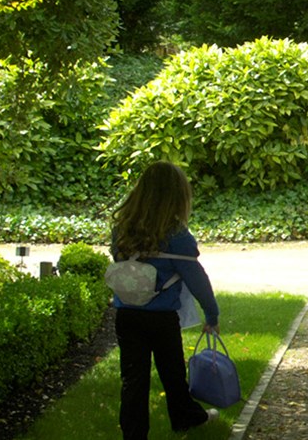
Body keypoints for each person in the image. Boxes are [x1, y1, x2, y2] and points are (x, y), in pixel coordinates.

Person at [108, 161, 221, 439]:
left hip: (127, 314)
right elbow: (196, 279)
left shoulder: (123, 230)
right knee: (172, 374)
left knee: (132, 380)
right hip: (161, 317)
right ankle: (185, 417)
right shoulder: (177, 236)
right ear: (177, 196)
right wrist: (212, 314)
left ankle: (134, 435)